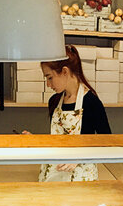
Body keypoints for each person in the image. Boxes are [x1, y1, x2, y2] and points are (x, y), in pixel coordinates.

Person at [37, 44, 112, 181]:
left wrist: (80, 157)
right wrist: (35, 141)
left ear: (65, 71)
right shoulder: (54, 101)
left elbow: (107, 142)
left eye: (50, 77)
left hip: (81, 175)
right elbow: (57, 140)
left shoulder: (91, 102)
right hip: (54, 172)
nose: (48, 84)